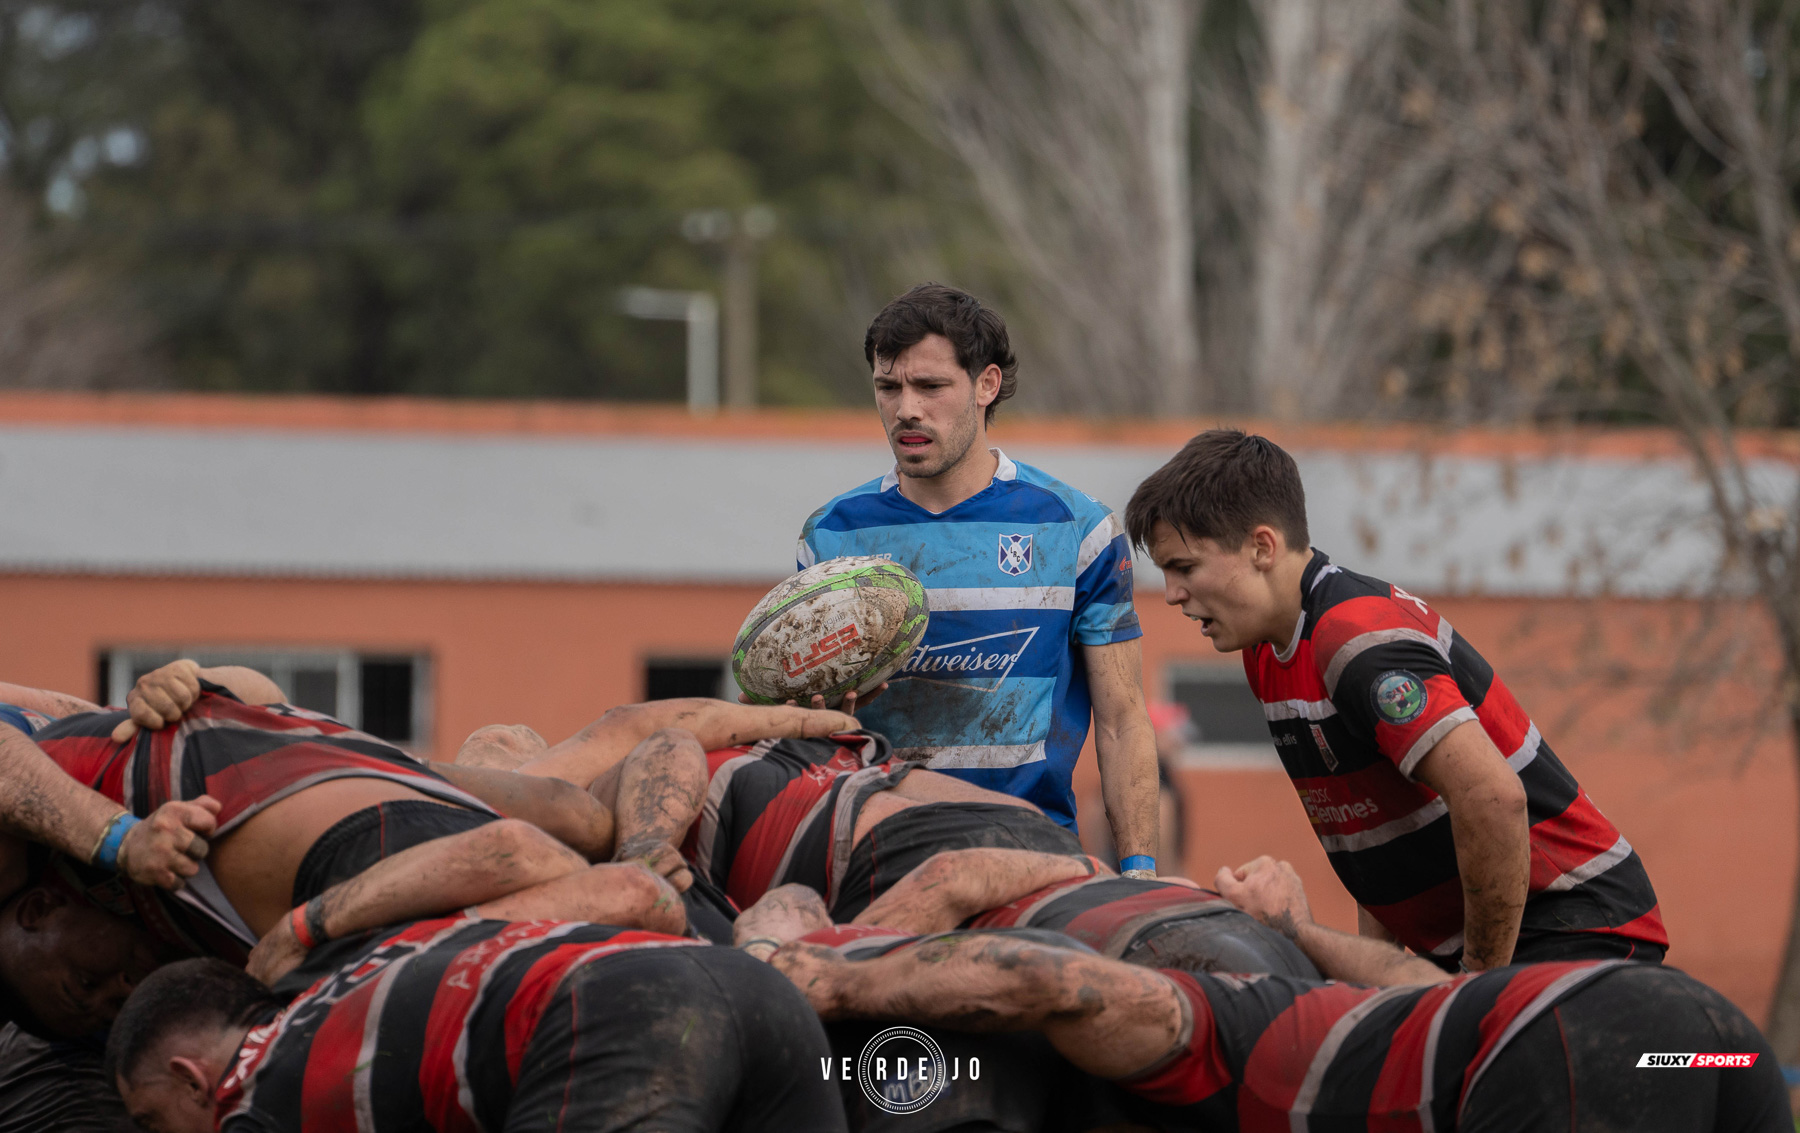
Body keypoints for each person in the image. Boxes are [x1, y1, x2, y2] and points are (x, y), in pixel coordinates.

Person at [1124, 428, 1666, 970]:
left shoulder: (1357, 640)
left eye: (1184, 568)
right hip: (1494, 952)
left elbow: (1494, 800)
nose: (1172, 593)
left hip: (1579, 928)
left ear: (1262, 547)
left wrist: (1476, 992)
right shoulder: (1266, 651)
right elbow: (1378, 828)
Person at [753, 899, 1787, 1131]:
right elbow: (1405, 972)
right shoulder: (1386, 1016)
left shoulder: (1204, 1030)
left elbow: (1048, 981)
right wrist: (1299, 922)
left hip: (1582, 1041)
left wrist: (836, 983)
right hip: (1704, 1028)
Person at [797, 283, 1162, 876]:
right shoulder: (832, 537)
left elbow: (1123, 720)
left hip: (1030, 855)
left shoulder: (1077, 528)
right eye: (888, 388)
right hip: (878, 857)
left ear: (986, 385)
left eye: (931, 386)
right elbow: (812, 727)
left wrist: (1139, 870)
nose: (906, 408)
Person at [108, 915, 847, 1133]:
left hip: (616, 1020)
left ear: (189, 1076)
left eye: (149, 1121)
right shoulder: (357, 975)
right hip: (748, 984)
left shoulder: (249, 1101)